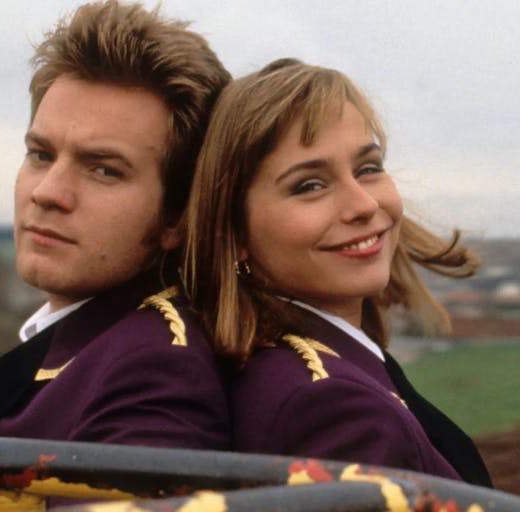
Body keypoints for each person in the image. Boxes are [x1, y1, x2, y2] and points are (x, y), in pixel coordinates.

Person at [0, 1, 231, 509]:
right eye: (41, 154)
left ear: (178, 218)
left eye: (104, 170)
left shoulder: (156, 372)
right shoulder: (88, 341)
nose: (47, 192)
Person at [183, 58, 493, 486]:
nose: (364, 204)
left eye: (368, 168)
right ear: (234, 232)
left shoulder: (308, 368)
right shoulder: (333, 409)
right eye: (310, 185)